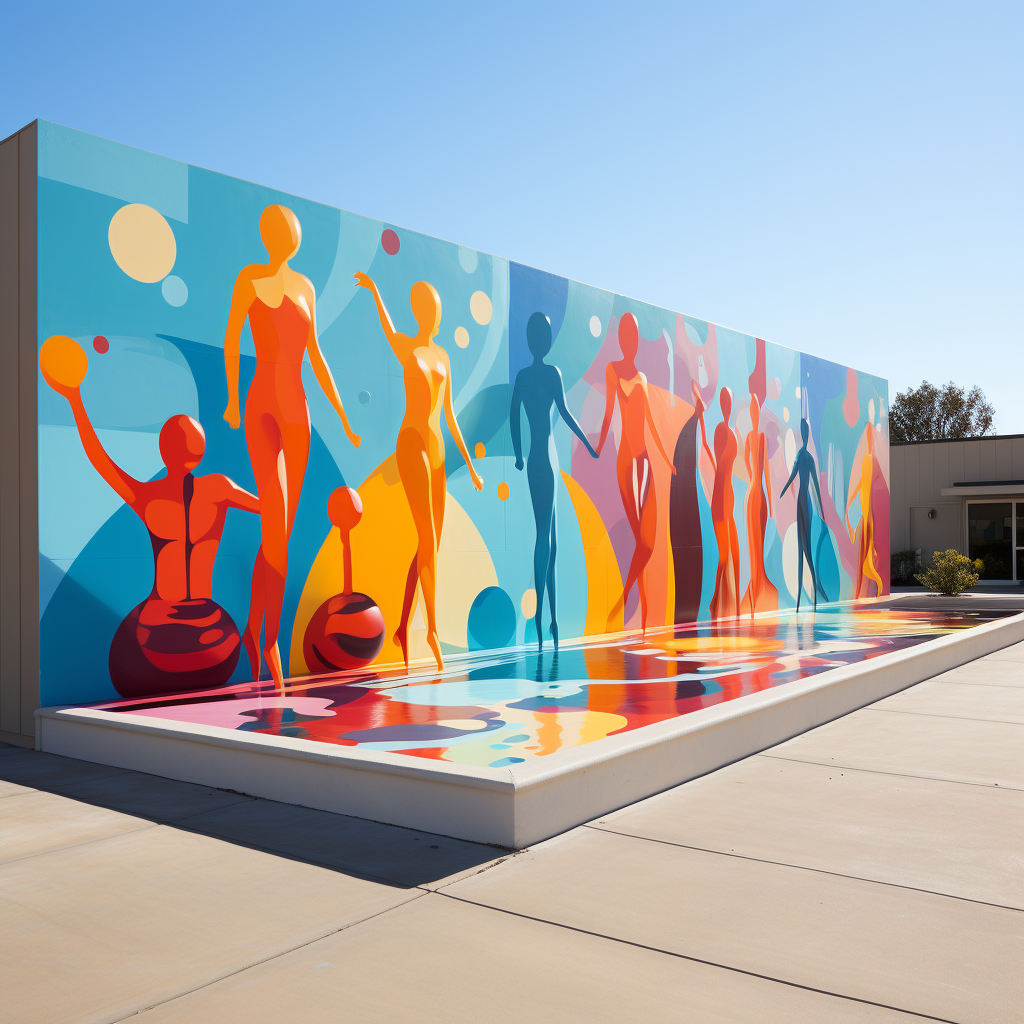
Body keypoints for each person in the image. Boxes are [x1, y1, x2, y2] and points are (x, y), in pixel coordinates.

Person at [39, 334, 260, 695]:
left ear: (163, 450)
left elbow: (101, 461)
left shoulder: (148, 496)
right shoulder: (219, 489)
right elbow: (273, 508)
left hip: (153, 642)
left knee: (126, 666)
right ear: (200, 450)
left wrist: (75, 400)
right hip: (214, 642)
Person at [223, 205, 360, 689]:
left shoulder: (305, 287)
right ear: (265, 235)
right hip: (259, 406)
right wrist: (232, 401)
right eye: (278, 229)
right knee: (274, 527)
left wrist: (342, 416)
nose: (286, 236)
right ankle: (271, 642)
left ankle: (253, 633)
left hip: (296, 412)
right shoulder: (248, 279)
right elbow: (232, 335)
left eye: (291, 231)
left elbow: (316, 356)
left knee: (278, 531)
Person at [354, 272, 483, 670]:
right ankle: (431, 630)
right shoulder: (406, 347)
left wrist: (471, 466)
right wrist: (377, 292)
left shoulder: (443, 356)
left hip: (438, 445)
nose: (431, 313)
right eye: (424, 306)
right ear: (417, 311)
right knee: (426, 538)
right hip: (411, 443)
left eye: (434, 307)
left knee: (431, 546)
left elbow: (450, 415)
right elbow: (387, 327)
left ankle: (401, 625)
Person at [510, 312, 598, 648]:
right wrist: (588, 444)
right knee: (544, 538)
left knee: (554, 542)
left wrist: (519, 455)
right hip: (544, 461)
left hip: (538, 460)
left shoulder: (524, 376)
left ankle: (554, 621)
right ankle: (541, 621)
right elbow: (565, 412)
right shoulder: (550, 373)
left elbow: (514, 415)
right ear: (542, 341)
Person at [595, 312, 676, 633]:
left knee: (649, 541)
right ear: (621, 339)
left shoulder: (642, 376)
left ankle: (639, 617)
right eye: (628, 335)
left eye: (636, 336)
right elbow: (608, 414)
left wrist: (666, 460)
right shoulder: (612, 370)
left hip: (646, 462)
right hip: (626, 465)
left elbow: (652, 422)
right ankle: (627, 600)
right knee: (643, 542)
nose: (633, 341)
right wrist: (598, 447)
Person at [669, 380, 708, 625]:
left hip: (689, 480)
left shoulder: (692, 423)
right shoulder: (685, 425)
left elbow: (703, 443)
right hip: (682, 478)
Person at [780, 418, 826, 610]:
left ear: (805, 434)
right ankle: (803, 598)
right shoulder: (807, 457)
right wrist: (784, 490)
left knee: (804, 548)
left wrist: (784, 489)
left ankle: (807, 596)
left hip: (803, 501)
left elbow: (809, 483)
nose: (804, 435)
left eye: (804, 432)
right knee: (802, 548)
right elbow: (812, 484)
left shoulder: (802, 456)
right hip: (803, 501)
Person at [741, 394, 778, 616]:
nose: (755, 413)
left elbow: (766, 472)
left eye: (757, 410)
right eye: (753, 410)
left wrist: (771, 504)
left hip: (759, 494)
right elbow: (750, 463)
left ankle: (759, 587)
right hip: (754, 493)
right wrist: (752, 477)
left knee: (759, 542)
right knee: (753, 541)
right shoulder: (751, 438)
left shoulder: (761, 438)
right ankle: (753, 589)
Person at [707, 387, 741, 620]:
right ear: (721, 404)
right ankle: (714, 602)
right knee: (723, 555)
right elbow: (720, 463)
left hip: (729, 498)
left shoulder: (733, 434)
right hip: (720, 497)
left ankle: (732, 604)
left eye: (729, 401)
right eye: (724, 401)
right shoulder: (721, 430)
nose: (727, 405)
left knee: (733, 554)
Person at [846, 423, 883, 597]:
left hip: (868, 509)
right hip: (865, 508)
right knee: (866, 547)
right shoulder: (868, 460)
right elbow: (862, 483)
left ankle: (868, 584)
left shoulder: (872, 461)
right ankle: (863, 587)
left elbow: (870, 483)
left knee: (868, 546)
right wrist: (848, 506)